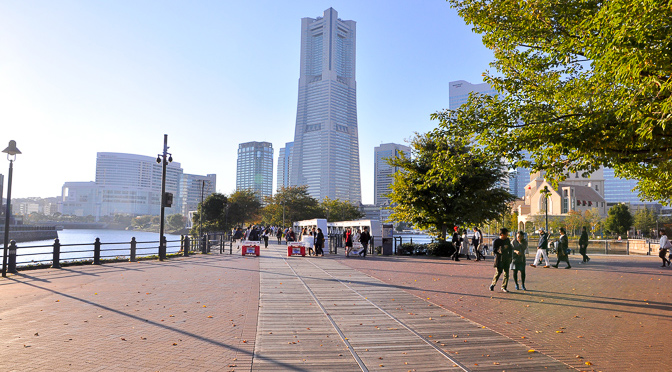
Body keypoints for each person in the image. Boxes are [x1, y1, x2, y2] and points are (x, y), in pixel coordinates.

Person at [490, 228, 513, 292]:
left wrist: (510, 257)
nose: (507, 235)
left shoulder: (507, 240)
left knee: (506, 273)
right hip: (499, 259)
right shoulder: (496, 241)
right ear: (502, 234)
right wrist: (501, 249)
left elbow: (510, 248)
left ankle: (504, 287)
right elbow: (494, 251)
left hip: (506, 258)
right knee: (498, 272)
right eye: (506, 234)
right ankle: (493, 284)